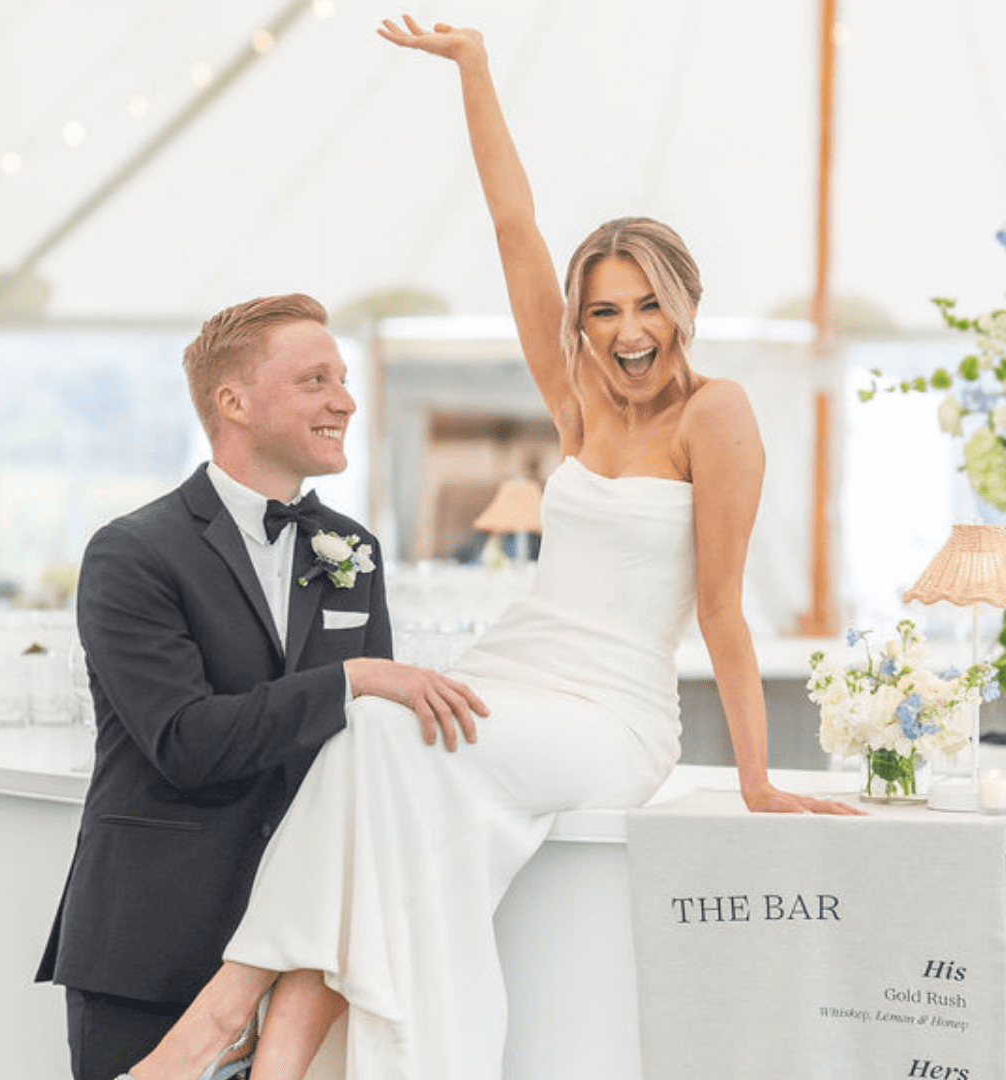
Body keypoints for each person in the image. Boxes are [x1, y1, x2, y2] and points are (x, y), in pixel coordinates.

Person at [119, 17, 861, 1080]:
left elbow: (720, 611)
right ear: (582, 323)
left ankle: (220, 1014)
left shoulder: (719, 413)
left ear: (686, 306)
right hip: (513, 669)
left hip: (612, 713)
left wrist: (756, 780)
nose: (628, 330)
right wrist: (473, 68)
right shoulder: (579, 404)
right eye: (603, 310)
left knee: (379, 737)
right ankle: (272, 1062)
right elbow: (515, 224)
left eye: (648, 304)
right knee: (368, 747)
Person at [35, 292, 490, 1080]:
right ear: (234, 403)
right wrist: (355, 677)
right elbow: (186, 742)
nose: (344, 401)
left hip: (306, 957)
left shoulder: (352, 549)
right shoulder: (131, 553)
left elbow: (364, 755)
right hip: (155, 943)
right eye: (315, 380)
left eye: (342, 379)